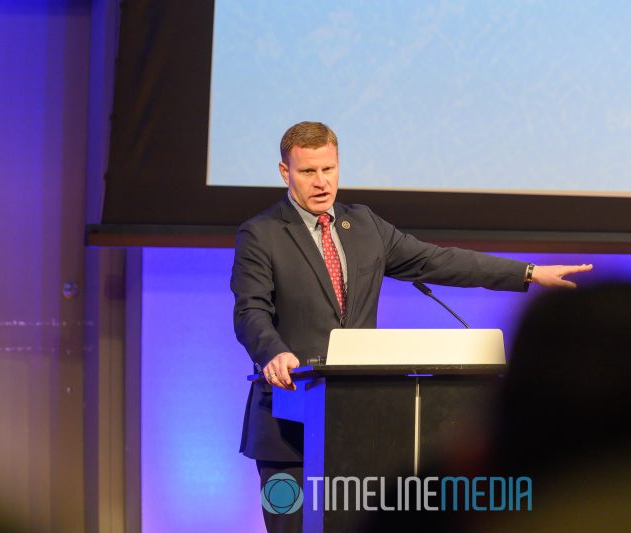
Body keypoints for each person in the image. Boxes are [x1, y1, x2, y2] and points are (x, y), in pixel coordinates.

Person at [230, 121, 593, 532]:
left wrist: (528, 273)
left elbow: (440, 261)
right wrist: (273, 351)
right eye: (308, 172)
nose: (321, 182)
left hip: (358, 423)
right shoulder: (261, 234)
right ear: (285, 172)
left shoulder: (364, 225)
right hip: (287, 426)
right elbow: (250, 311)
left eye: (328, 169)